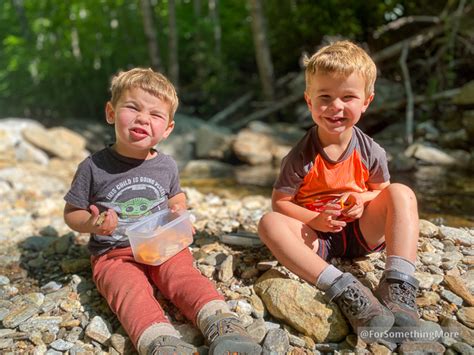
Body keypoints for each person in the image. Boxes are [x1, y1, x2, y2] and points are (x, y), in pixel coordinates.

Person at [64, 68, 261, 355]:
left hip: (162, 244)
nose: (143, 118)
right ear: (110, 112)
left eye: (155, 115)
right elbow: (72, 214)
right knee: (129, 291)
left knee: (184, 276)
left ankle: (221, 322)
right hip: (114, 253)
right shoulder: (93, 167)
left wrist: (179, 211)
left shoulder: (166, 165)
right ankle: (158, 341)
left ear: (167, 129)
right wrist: (94, 224)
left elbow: (175, 196)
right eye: (132, 107)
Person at [258, 41, 420, 339]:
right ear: (309, 102)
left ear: (366, 101)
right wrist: (313, 219)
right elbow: (280, 203)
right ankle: (342, 286)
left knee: (402, 192)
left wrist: (363, 198)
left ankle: (399, 283)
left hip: (361, 231)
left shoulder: (371, 151)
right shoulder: (300, 155)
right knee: (269, 223)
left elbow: (380, 193)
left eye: (348, 97)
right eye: (325, 97)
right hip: (317, 240)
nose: (336, 107)